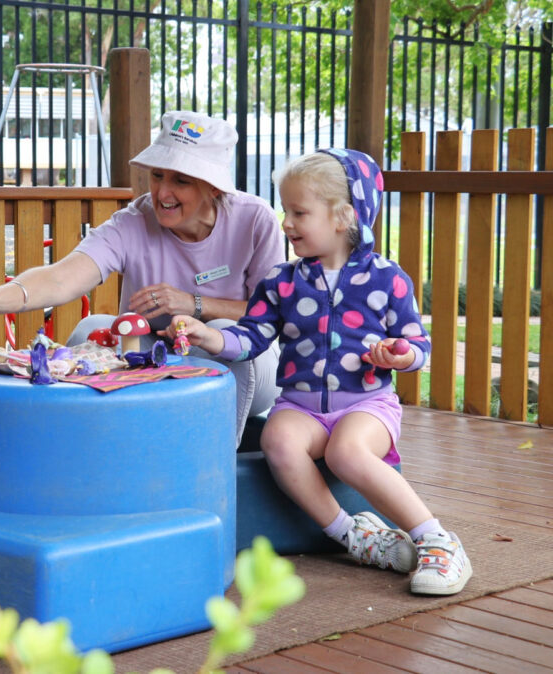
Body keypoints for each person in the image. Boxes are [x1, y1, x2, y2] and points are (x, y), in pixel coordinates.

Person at [164, 148, 472, 595]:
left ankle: (438, 541)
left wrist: (399, 356)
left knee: (348, 453)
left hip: (367, 404)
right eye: (285, 210)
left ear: (343, 216)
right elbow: (250, 339)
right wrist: (206, 336)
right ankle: (354, 535)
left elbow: (418, 345)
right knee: (277, 440)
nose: (285, 223)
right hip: (301, 405)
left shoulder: (388, 279)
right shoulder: (281, 282)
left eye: (298, 212)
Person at [0, 111, 285, 445]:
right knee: (91, 327)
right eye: (157, 176)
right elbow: (63, 277)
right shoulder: (133, 221)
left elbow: (275, 313)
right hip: (156, 355)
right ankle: (85, 453)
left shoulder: (255, 219)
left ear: (213, 187)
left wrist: (194, 305)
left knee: (224, 331)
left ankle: (212, 468)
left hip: (246, 364)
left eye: (181, 180)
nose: (162, 193)